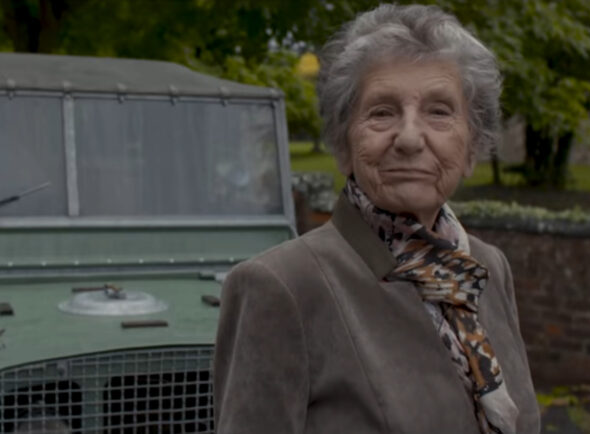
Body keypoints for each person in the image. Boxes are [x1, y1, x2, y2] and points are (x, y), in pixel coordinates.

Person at [213, 4, 540, 433]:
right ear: (343, 143)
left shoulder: (487, 268)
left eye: (439, 111)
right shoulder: (281, 287)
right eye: (382, 112)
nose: (408, 137)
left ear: (472, 147)